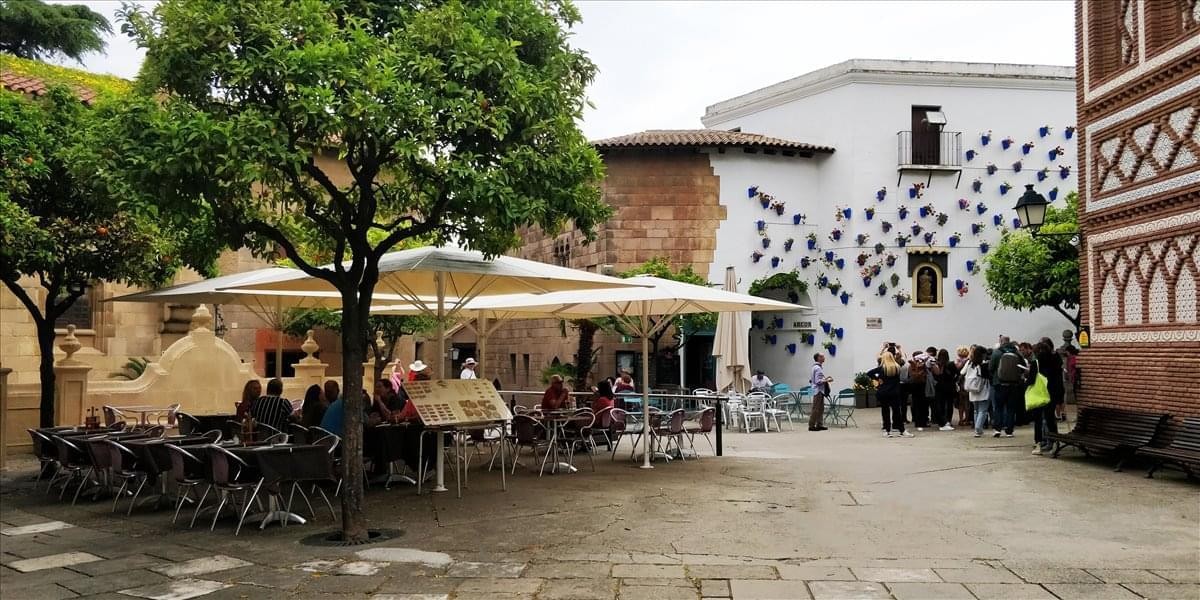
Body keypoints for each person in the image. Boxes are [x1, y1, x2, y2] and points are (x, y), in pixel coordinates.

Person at [868, 347, 911, 438]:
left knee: (885, 411)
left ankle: (887, 430)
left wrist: (878, 379)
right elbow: (903, 359)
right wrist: (900, 349)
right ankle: (902, 430)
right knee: (897, 411)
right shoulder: (897, 367)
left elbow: (869, 373)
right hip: (894, 392)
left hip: (883, 392)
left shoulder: (881, 368)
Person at [1031, 340, 1063, 455]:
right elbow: (1059, 381)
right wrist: (1060, 398)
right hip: (1052, 394)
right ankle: (1054, 442)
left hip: (1039, 393)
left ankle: (1038, 443)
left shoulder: (1036, 363)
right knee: (1050, 419)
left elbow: (1031, 381)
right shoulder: (1055, 362)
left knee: (1038, 420)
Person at [989, 336, 1024, 437]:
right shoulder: (1017, 352)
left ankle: (997, 429)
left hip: (999, 383)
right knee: (1011, 408)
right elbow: (1022, 367)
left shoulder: (996, 352)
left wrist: (995, 376)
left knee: (998, 407)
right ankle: (1009, 430)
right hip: (1014, 384)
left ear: (1001, 342)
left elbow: (991, 368)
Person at [964, 345, 991, 437]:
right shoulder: (984, 365)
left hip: (972, 389)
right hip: (983, 389)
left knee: (976, 410)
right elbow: (988, 376)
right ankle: (978, 429)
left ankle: (977, 428)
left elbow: (962, 373)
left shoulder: (970, 363)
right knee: (983, 410)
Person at [933, 349, 959, 431]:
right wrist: (954, 381)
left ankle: (942, 420)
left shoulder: (937, 365)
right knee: (949, 404)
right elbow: (957, 374)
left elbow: (935, 376)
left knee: (940, 404)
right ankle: (948, 420)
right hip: (950, 386)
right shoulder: (951, 364)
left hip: (939, 386)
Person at [907, 351, 930, 430]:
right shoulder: (912, 366)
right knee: (917, 404)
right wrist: (919, 369)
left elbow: (926, 374)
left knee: (924, 404)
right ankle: (918, 422)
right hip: (915, 386)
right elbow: (914, 376)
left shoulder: (924, 365)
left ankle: (924, 421)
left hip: (923, 385)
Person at [808, 353, 831, 432]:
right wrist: (827, 380)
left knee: (820, 408)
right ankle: (812, 425)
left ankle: (819, 424)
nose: (824, 358)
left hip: (815, 390)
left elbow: (812, 380)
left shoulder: (814, 367)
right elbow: (818, 381)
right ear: (818, 358)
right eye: (822, 356)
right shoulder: (818, 368)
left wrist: (824, 378)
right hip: (818, 390)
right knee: (816, 408)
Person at [954, 346, 971, 426]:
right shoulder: (968, 361)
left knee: (961, 403)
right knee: (967, 402)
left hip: (960, 383)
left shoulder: (958, 362)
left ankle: (961, 419)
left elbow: (957, 369)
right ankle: (967, 419)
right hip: (967, 382)